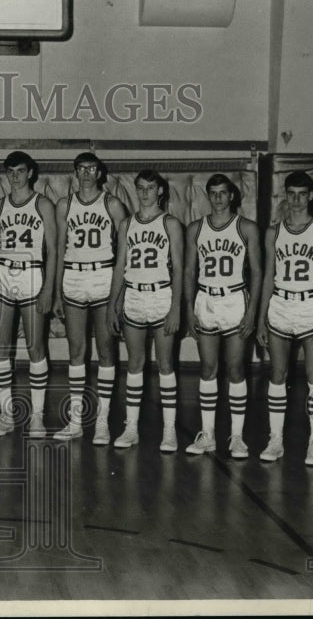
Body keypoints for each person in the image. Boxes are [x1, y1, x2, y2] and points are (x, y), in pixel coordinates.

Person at [256, 170, 313, 466]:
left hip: (310, 307)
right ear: (285, 196)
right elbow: (267, 278)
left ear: (312, 196)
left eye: (302, 194)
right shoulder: (273, 232)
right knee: (277, 375)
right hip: (280, 305)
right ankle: (276, 440)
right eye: (292, 194)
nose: (297, 200)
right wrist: (262, 318)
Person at [182, 174, 261, 458]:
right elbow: (189, 271)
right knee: (208, 368)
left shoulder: (247, 228)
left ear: (232, 197)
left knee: (236, 368)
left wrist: (252, 312)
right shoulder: (195, 228)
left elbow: (259, 272)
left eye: (222, 193)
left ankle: (237, 436)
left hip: (234, 298)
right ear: (208, 196)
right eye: (212, 193)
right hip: (206, 298)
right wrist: (189, 307)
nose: (217, 199)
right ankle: (208, 435)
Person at [52, 153, 127, 443]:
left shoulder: (112, 204)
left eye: (91, 168)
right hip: (73, 276)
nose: (86, 173)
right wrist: (58, 290)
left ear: (99, 173)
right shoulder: (64, 204)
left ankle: (103, 422)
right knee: (76, 351)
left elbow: (125, 250)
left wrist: (119, 293)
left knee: (106, 350)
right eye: (81, 168)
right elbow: (58, 249)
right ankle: (75, 420)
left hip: (103, 276)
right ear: (75, 172)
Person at [108, 169, 184, 452]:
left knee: (166, 365)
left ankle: (169, 431)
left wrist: (176, 308)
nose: (144, 193)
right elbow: (119, 267)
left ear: (160, 191)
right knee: (135, 364)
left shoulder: (171, 224)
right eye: (140, 187)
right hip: (134, 297)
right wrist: (112, 304)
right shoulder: (127, 224)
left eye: (150, 188)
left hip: (161, 295)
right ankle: (131, 428)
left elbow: (179, 269)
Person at [0, 151, 57, 438]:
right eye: (10, 171)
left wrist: (48, 289)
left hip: (32, 274)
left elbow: (53, 250)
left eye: (19, 170)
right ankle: (7, 414)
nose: (14, 175)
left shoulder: (43, 205)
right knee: (1, 347)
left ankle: (37, 416)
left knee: (35, 347)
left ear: (30, 173)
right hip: (3, 273)